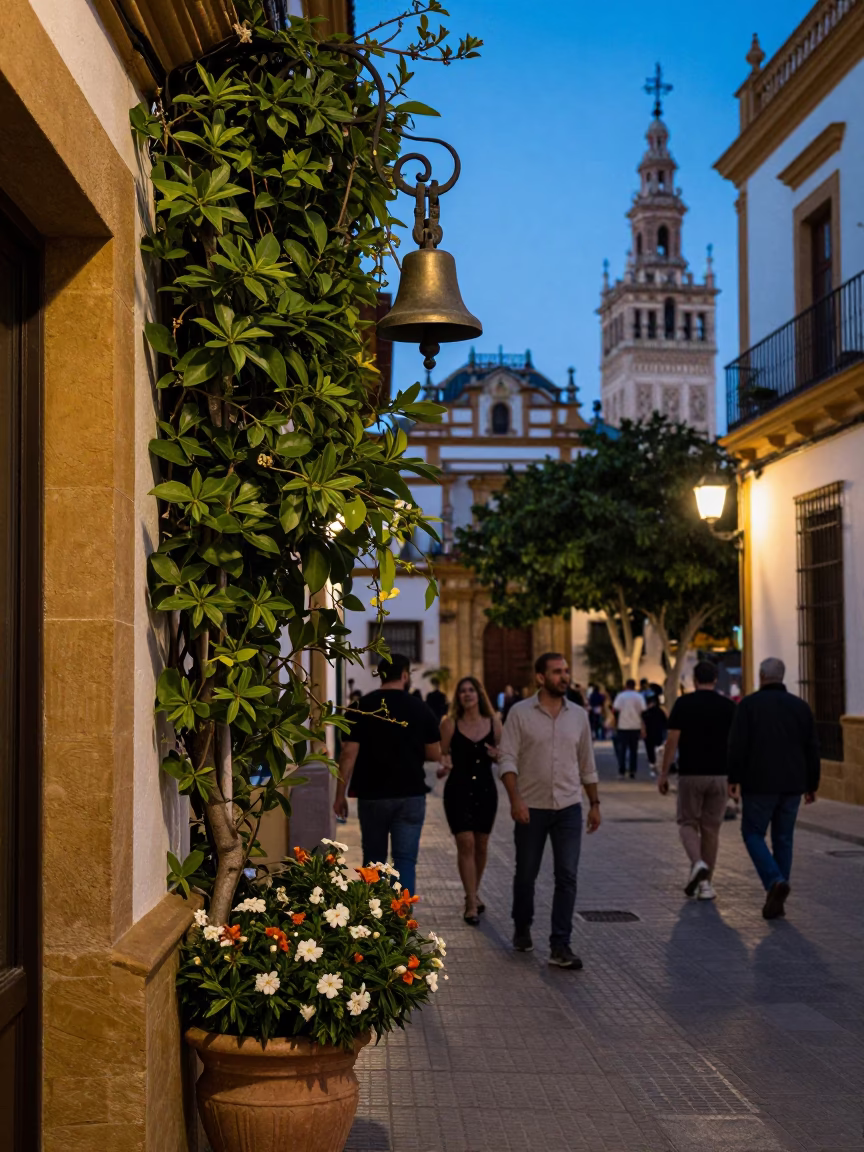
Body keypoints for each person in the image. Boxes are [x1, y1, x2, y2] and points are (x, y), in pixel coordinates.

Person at [498, 652, 601, 969]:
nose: (564, 677)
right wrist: (515, 799)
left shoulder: (579, 716)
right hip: (532, 807)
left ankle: (560, 944)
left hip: (569, 808)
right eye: (557, 672)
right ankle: (522, 926)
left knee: (567, 877)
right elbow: (507, 759)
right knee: (526, 874)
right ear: (541, 677)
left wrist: (594, 803)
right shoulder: (519, 713)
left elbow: (587, 764)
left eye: (566, 671)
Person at [334, 653, 441, 896]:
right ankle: (402, 922)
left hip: (372, 795)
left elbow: (347, 755)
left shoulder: (360, 707)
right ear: (405, 676)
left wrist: (340, 795)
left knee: (373, 860)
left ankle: (373, 923)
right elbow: (434, 752)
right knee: (405, 861)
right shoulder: (419, 707)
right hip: (410, 794)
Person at [727, 657, 820, 920]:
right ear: (782, 676)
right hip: (792, 785)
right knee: (784, 839)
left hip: (759, 784)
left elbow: (737, 745)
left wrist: (733, 778)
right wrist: (812, 784)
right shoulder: (801, 707)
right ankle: (778, 893)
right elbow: (813, 748)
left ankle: (775, 881)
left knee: (752, 833)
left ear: (761, 675)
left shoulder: (748, 706)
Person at [658, 662, 736, 901]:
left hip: (691, 774)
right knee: (711, 829)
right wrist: (736, 777)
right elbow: (736, 743)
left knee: (687, 823)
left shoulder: (684, 704)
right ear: (715, 679)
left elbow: (672, 740)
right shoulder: (728, 706)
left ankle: (697, 863)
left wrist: (664, 773)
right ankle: (706, 887)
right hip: (720, 775)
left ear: (694, 679)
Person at [438, 677, 502, 925]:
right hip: (458, 790)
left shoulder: (494, 722)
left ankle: (474, 891)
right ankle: (470, 901)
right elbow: (443, 754)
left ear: (479, 694)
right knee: (465, 843)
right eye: (462, 691)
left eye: (471, 690)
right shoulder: (449, 723)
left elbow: (504, 755)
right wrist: (444, 767)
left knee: (482, 844)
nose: (467, 694)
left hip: (486, 790)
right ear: (458, 697)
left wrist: (497, 756)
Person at [612, 679, 645, 779]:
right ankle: (632, 771)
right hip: (635, 726)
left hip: (623, 726)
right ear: (635, 686)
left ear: (626, 685)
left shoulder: (621, 696)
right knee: (633, 750)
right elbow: (643, 711)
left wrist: (616, 723)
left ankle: (622, 771)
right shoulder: (639, 696)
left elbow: (615, 709)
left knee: (622, 749)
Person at [642, 693, 667, 778]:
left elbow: (643, 723)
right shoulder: (660, 711)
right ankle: (658, 767)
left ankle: (653, 767)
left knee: (650, 752)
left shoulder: (646, 713)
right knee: (659, 751)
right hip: (658, 733)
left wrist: (643, 732)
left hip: (649, 734)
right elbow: (666, 723)